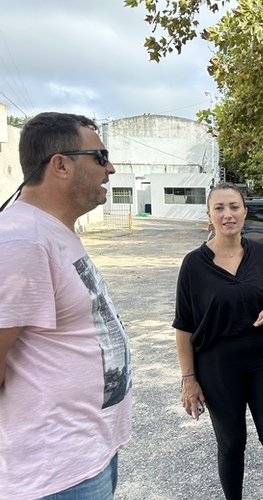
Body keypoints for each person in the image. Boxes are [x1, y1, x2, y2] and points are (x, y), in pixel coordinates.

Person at [0, 112, 132, 499]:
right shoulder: (21, 240)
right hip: (53, 471)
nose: (110, 168)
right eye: (100, 156)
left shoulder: (51, 232)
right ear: (60, 164)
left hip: (87, 452)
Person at [173, 183, 263, 500]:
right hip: (217, 364)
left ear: (245, 212)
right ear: (208, 214)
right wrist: (188, 379)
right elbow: (183, 327)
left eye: (234, 206)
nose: (228, 214)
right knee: (232, 442)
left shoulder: (262, 254)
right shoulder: (194, 265)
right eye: (220, 208)